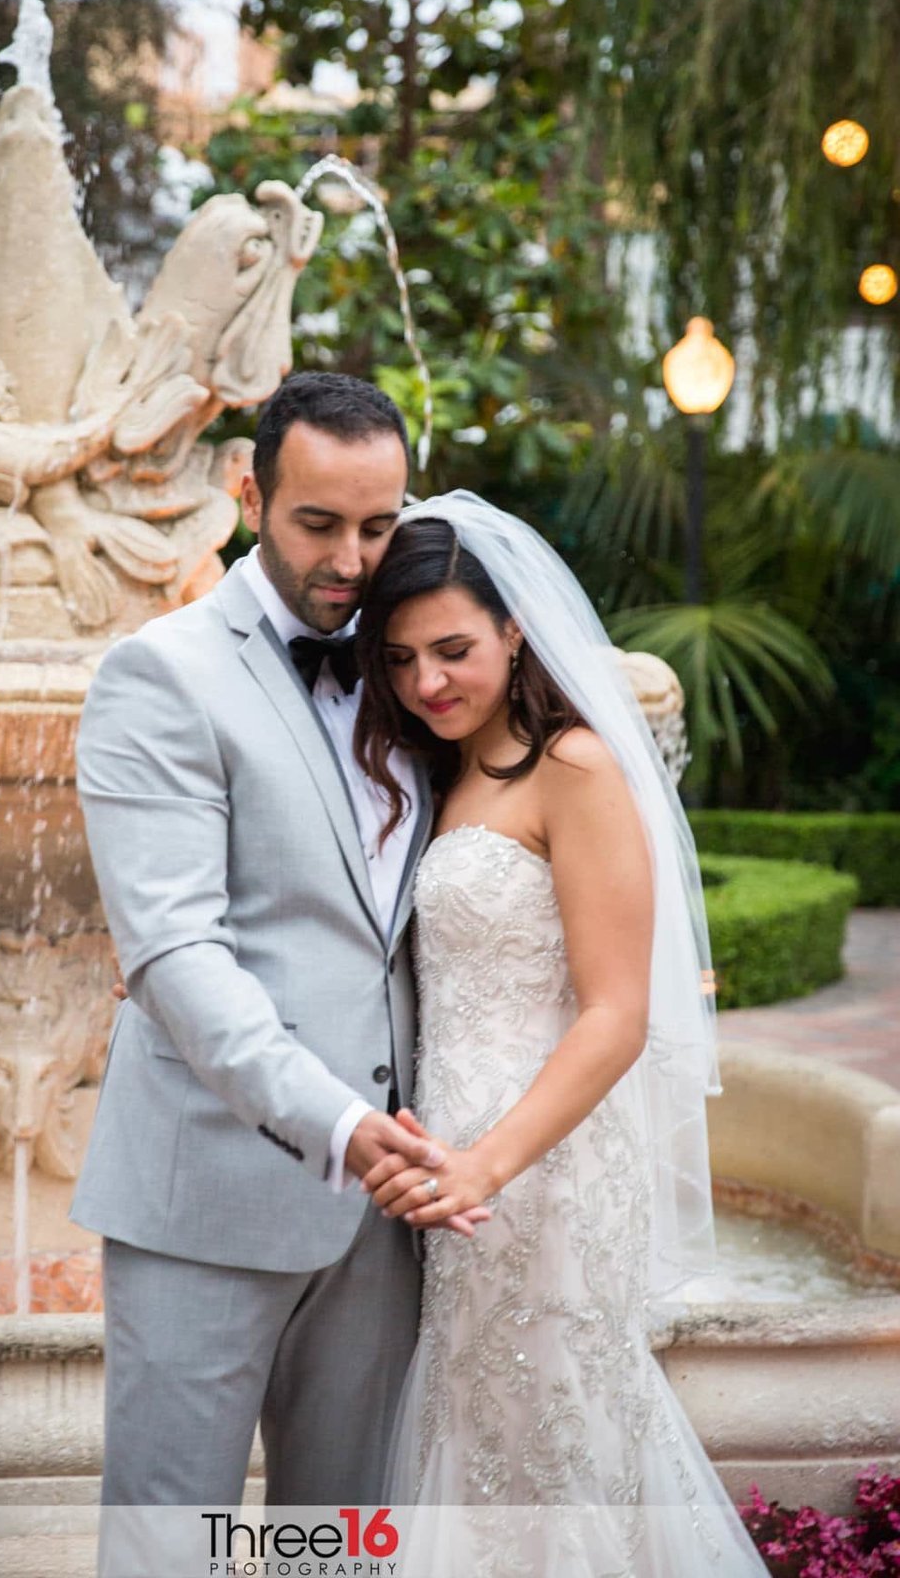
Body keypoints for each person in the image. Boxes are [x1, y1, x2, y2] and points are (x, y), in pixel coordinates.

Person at [69, 376, 484, 1573]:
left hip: (390, 1213)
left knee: (342, 1543)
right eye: (318, 524)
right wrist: (342, 1124)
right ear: (249, 494)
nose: (353, 559)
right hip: (209, 1188)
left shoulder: (418, 671)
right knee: (171, 1542)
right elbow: (175, 954)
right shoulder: (159, 674)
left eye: (377, 525)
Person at [354, 493, 768, 1574]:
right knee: (481, 1435)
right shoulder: (436, 771)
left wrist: (486, 1163)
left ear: (516, 630)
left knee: (554, 1443)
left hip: (543, 1171)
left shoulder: (573, 764)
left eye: (452, 650)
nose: (426, 683)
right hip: (452, 1174)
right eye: (399, 660)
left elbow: (618, 1013)